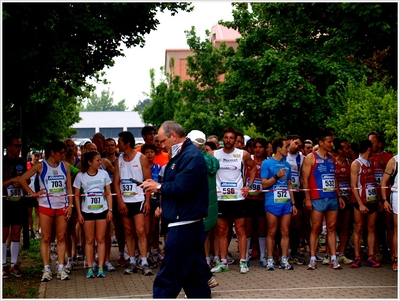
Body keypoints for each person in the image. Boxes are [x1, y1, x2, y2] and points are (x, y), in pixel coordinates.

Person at [141, 121, 211, 298]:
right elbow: (175, 185)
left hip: (184, 225)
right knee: (194, 279)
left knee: (167, 278)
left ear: (173, 136)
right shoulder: (180, 155)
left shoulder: (190, 156)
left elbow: (182, 188)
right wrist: (158, 187)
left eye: (163, 140)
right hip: (184, 223)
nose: (161, 145)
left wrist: (158, 187)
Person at [19, 140, 74, 282]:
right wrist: (33, 193)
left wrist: (70, 205)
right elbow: (22, 179)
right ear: (52, 152)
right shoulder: (40, 166)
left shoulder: (65, 167)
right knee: (46, 238)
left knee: (61, 237)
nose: (63, 155)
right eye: (61, 153)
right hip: (45, 206)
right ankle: (46, 268)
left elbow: (69, 188)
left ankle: (61, 267)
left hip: (62, 205)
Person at [211, 126, 256, 274]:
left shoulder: (242, 154)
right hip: (221, 198)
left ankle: (243, 261)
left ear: (235, 140)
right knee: (222, 231)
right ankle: (223, 262)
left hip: (237, 198)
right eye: (226, 138)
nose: (228, 140)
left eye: (231, 138)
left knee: (240, 230)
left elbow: (254, 168)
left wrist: (248, 185)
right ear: (222, 139)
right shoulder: (214, 154)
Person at [302, 129, 345, 270]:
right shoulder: (311, 157)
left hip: (332, 197)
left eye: (332, 141)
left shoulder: (332, 158)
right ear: (321, 142)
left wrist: (339, 196)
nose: (332, 144)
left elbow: (334, 179)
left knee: (332, 228)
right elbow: (305, 179)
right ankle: (313, 258)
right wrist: (307, 198)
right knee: (316, 228)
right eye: (329, 142)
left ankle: (334, 258)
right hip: (317, 198)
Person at [113, 131, 153, 276]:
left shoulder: (141, 158)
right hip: (125, 201)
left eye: (120, 142)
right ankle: (132, 261)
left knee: (141, 231)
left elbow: (148, 181)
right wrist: (119, 201)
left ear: (127, 143)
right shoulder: (119, 160)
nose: (118, 145)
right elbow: (116, 182)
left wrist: (148, 200)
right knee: (128, 231)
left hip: (139, 200)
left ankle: (144, 261)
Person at [187, 129, 220, 289]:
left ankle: (204, 279)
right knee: (195, 247)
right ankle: (205, 278)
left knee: (193, 249)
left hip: (200, 211)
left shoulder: (197, 160)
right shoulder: (208, 160)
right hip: (205, 210)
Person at [73, 151, 113, 278]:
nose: (100, 162)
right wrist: (79, 213)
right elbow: (76, 196)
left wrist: (110, 210)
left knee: (100, 239)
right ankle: (90, 267)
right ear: (90, 162)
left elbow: (108, 193)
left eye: (100, 160)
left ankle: (101, 267)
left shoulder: (104, 174)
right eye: (97, 160)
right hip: (87, 211)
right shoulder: (81, 176)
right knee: (89, 240)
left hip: (102, 210)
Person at [261, 137, 297, 271]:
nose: (288, 149)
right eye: (286, 147)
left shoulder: (287, 165)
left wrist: (293, 203)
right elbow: (264, 183)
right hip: (272, 201)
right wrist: (276, 176)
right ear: (278, 149)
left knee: (286, 231)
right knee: (272, 231)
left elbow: (289, 184)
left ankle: (284, 259)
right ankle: (269, 259)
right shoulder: (267, 164)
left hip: (285, 202)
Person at [350, 139, 381, 268]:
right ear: (369, 148)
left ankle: (371, 256)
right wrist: (360, 203)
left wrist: (379, 200)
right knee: (358, 228)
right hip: (360, 201)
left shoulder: (372, 162)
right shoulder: (356, 164)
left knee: (372, 228)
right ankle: (357, 257)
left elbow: (374, 183)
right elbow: (353, 185)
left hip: (372, 200)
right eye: (372, 146)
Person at [3, 137, 27, 278]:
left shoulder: (21, 161)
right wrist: (11, 181)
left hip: (19, 201)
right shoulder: (2, 161)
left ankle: (14, 264)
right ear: (8, 146)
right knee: (4, 233)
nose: (19, 148)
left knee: (17, 232)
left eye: (20, 145)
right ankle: (2, 265)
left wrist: (22, 182)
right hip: (5, 201)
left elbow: (27, 178)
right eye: (16, 145)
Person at [368, 131, 393, 263]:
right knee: (374, 226)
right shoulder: (368, 156)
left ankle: (393, 252)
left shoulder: (389, 157)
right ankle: (377, 252)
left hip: (387, 195)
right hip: (372, 196)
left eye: (373, 142)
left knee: (389, 224)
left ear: (380, 143)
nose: (371, 145)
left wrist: (385, 167)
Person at [243, 138, 268, 267]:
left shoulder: (268, 162)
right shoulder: (247, 160)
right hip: (248, 199)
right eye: (256, 147)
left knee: (262, 228)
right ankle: (245, 255)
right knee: (247, 228)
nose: (258, 149)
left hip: (262, 199)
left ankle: (263, 256)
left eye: (261, 147)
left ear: (265, 148)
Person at [332, 139, 354, 265]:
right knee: (335, 226)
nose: (349, 150)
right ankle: (332, 252)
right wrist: (339, 195)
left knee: (346, 226)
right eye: (346, 148)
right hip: (336, 198)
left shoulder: (351, 163)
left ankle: (342, 253)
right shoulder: (333, 163)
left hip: (348, 199)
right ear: (339, 150)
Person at [141, 143, 163, 267]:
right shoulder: (141, 167)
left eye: (152, 152)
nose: (149, 154)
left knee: (154, 229)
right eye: (147, 152)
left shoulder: (159, 168)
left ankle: (155, 251)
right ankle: (146, 252)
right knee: (146, 229)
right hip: (144, 202)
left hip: (155, 202)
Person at [285, 135, 306, 266]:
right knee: (282, 225)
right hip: (281, 193)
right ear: (289, 142)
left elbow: (303, 177)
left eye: (299, 145)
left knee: (296, 223)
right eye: (296, 143)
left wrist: (305, 195)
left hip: (297, 193)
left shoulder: (302, 158)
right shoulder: (281, 155)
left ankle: (294, 251)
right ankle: (280, 253)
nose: (297, 146)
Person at [381, 155, 398, 271]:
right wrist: (384, 200)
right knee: (397, 228)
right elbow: (384, 182)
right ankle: (396, 258)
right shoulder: (394, 160)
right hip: (397, 195)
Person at [27, 150, 41, 239]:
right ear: (31, 156)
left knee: (38, 212)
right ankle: (30, 230)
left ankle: (37, 230)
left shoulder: (40, 166)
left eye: (38, 156)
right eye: (35, 156)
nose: (36, 158)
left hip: (38, 192)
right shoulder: (27, 165)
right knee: (29, 212)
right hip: (29, 192)